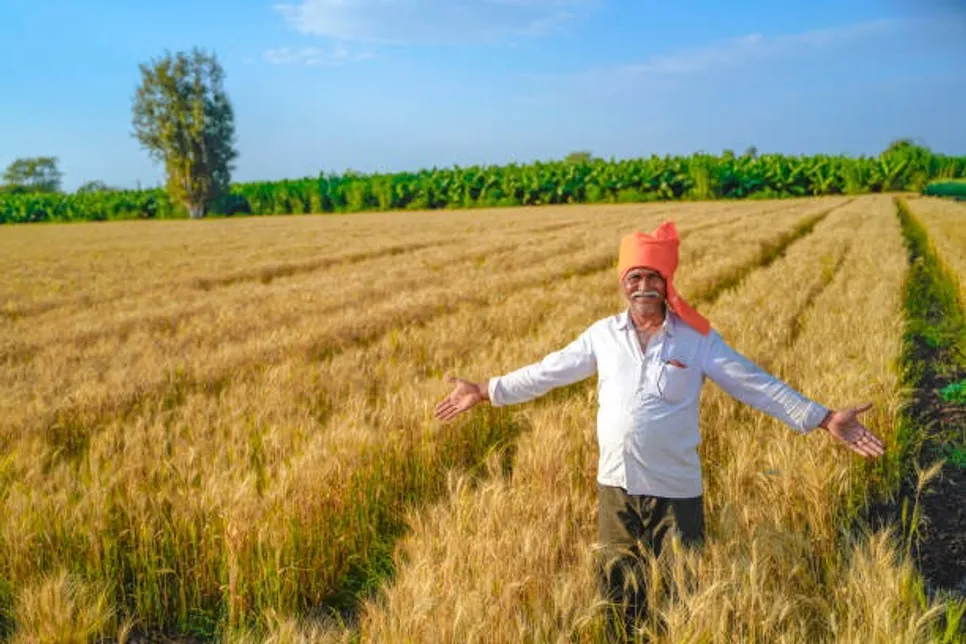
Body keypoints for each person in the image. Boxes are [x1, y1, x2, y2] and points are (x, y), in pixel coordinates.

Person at [433, 220, 886, 641]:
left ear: (667, 284)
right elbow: (547, 372)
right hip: (616, 488)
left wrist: (823, 417)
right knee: (618, 595)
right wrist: (487, 390)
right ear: (622, 284)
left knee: (679, 599)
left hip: (676, 494)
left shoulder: (696, 339)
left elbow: (755, 384)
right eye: (635, 278)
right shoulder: (602, 335)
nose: (643, 287)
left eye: (652, 277)